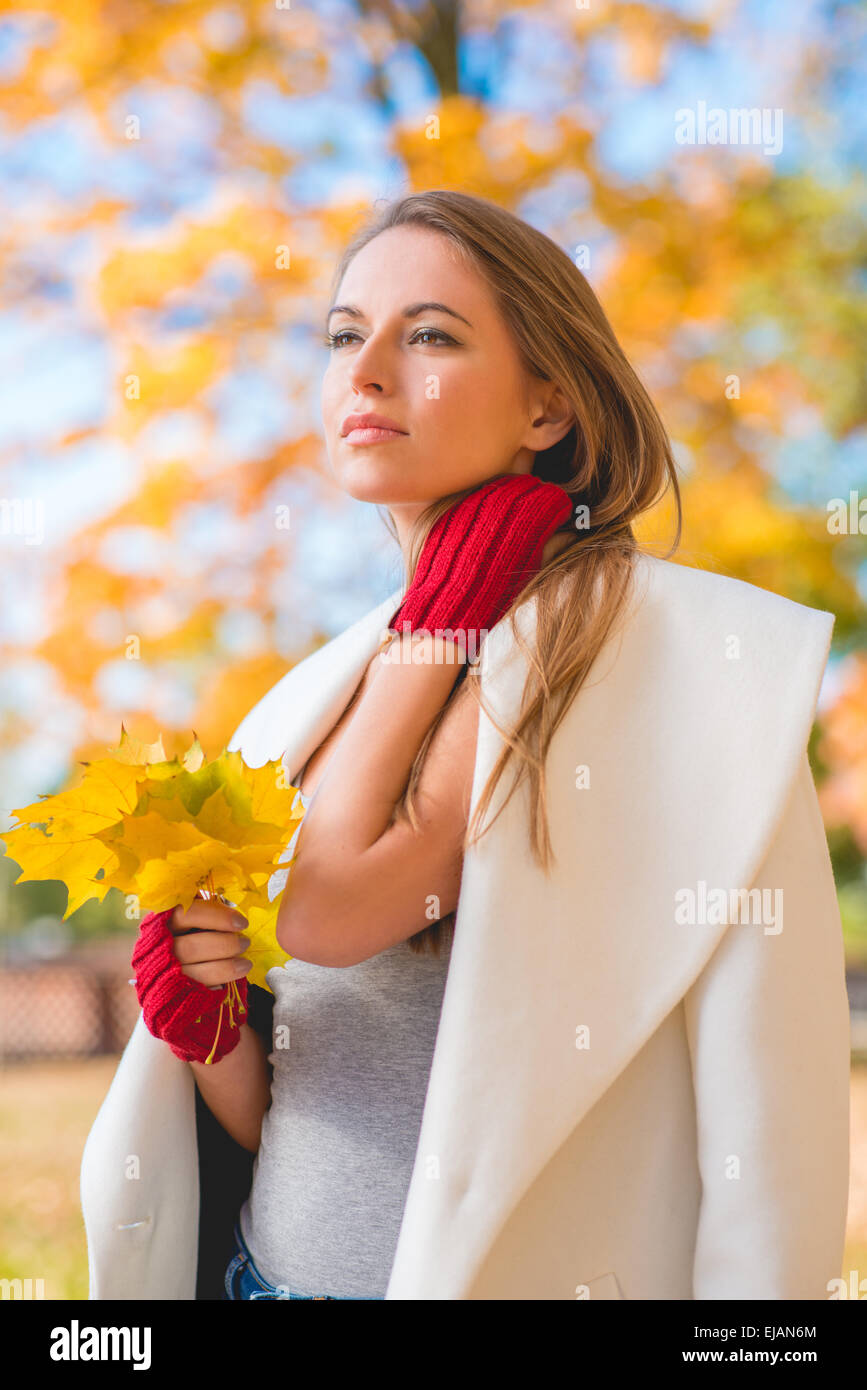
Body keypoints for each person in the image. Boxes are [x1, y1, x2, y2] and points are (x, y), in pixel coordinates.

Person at [80, 189, 850, 1301]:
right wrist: (210, 1027)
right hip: (266, 1275)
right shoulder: (320, 685)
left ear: (547, 408)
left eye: (430, 333)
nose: (369, 368)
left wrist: (441, 613)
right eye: (346, 333)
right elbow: (303, 1089)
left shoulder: (645, 657)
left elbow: (329, 905)